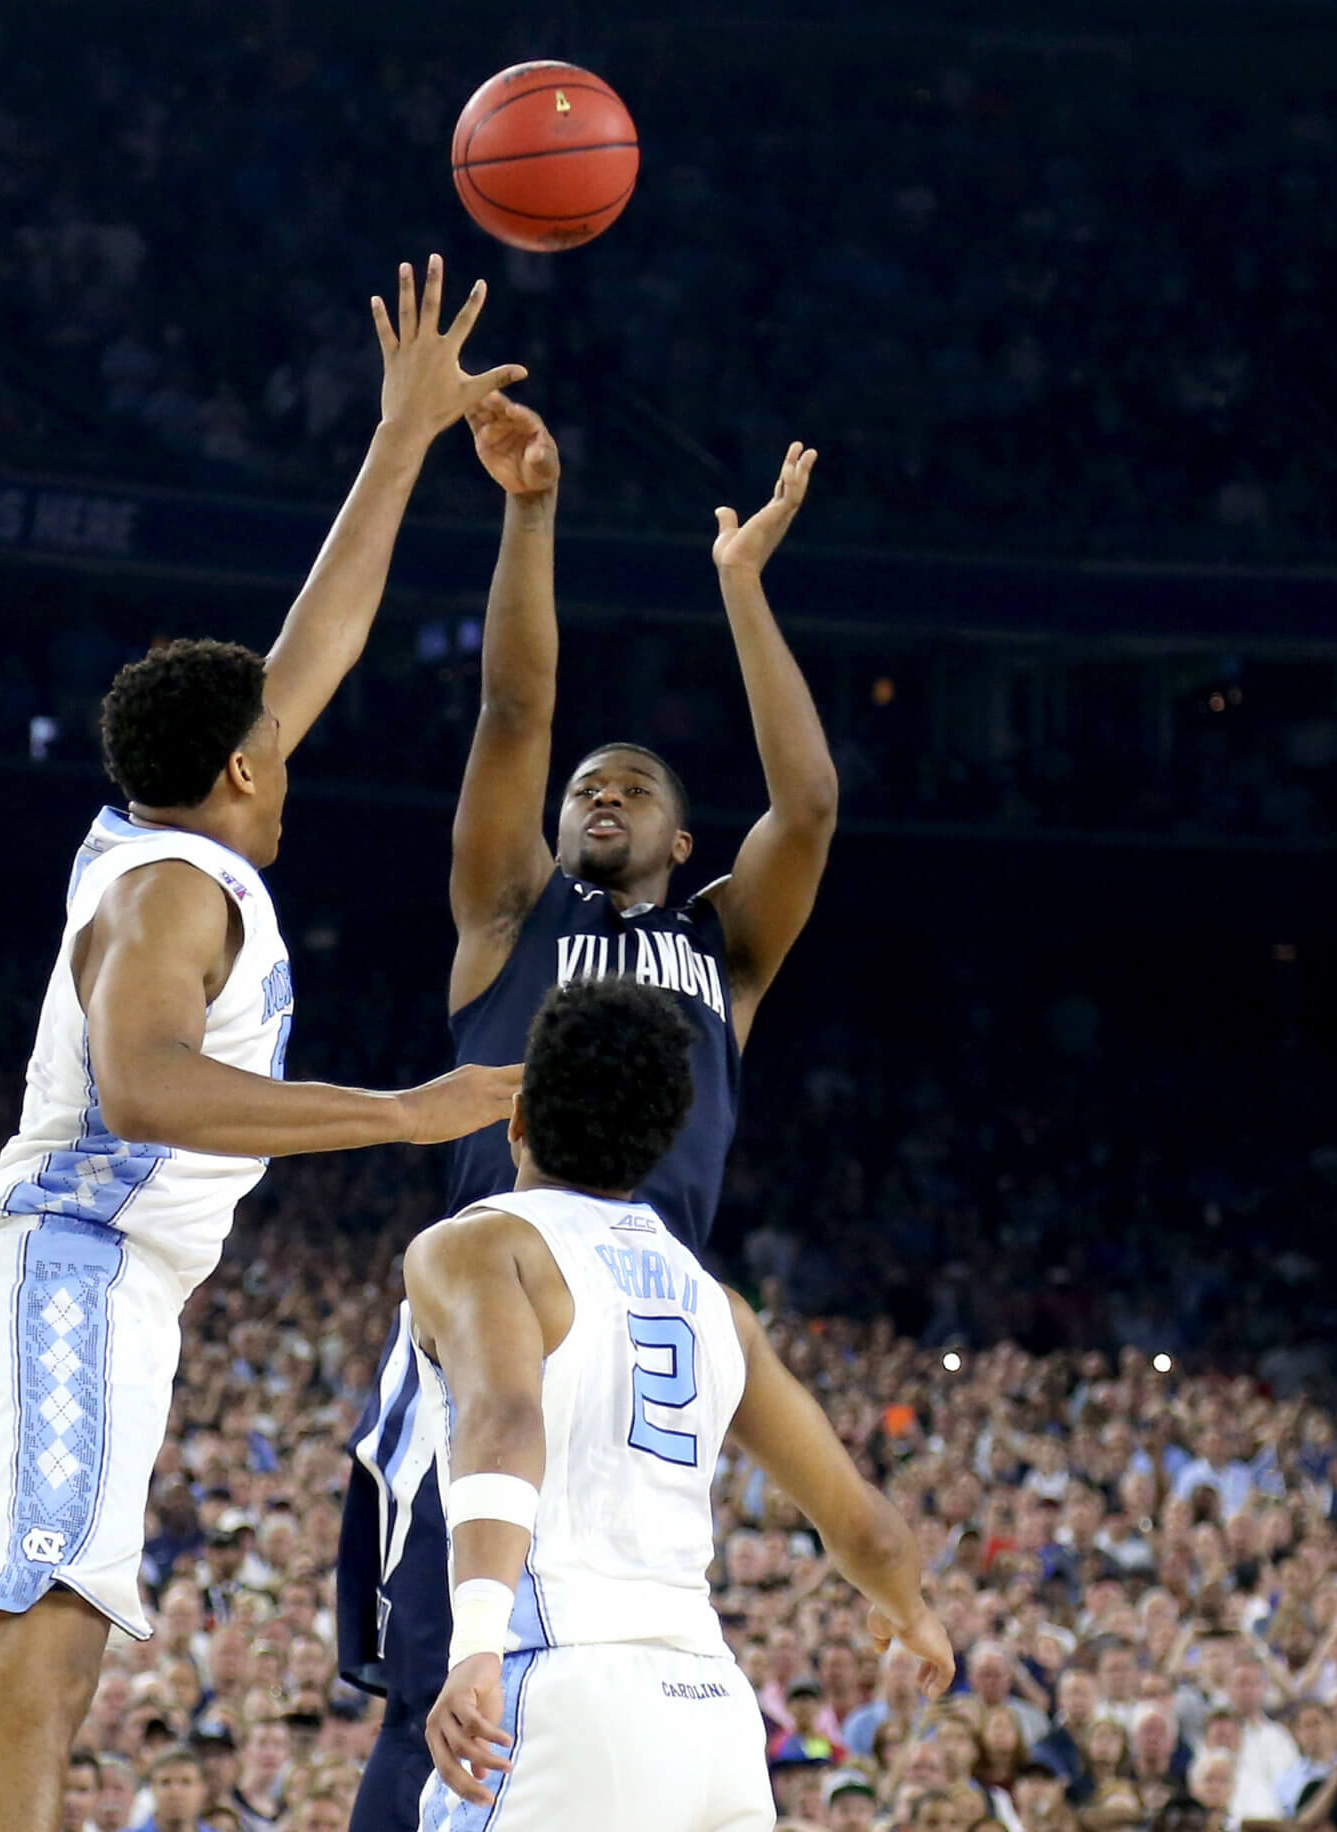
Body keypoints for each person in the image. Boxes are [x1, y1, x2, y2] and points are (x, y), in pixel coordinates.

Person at [0, 255, 525, 1832]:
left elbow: (311, 641)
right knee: (41, 1652)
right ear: (247, 770)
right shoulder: (181, 887)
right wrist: (409, 1114)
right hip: (70, 1277)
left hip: (35, 1281)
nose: (297, 731)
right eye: (277, 732)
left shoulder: (148, 831)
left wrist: (402, 443)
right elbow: (142, 1083)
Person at [341, 414, 845, 1830]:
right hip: (502, 1302)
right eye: (584, 789)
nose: (596, 790)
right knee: (439, 1689)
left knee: (602, 1707)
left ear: (685, 844)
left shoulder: (724, 950)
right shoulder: (508, 916)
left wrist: (742, 585)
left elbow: (808, 800)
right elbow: (513, 712)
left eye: (631, 786)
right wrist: (532, 512)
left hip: (647, 1336)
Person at [409, 979, 956, 1828]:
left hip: (563, 1690)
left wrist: (475, 1642)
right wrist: (911, 1612)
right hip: (715, 1716)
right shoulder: (718, 1306)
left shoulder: (482, 1246)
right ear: (662, 1145)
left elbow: (507, 1422)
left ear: (516, 1121)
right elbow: (866, 1527)